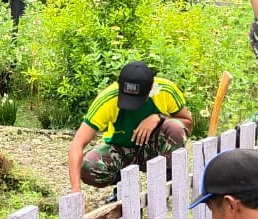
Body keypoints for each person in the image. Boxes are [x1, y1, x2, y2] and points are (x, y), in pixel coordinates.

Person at [68, 61, 193, 193]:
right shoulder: (108, 99)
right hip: (122, 151)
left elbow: (187, 123)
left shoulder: (166, 90)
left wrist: (159, 117)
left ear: (151, 89)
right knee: (89, 166)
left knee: (175, 127)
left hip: (154, 150)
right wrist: (76, 189)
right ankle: (125, 183)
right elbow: (77, 144)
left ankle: (167, 181)